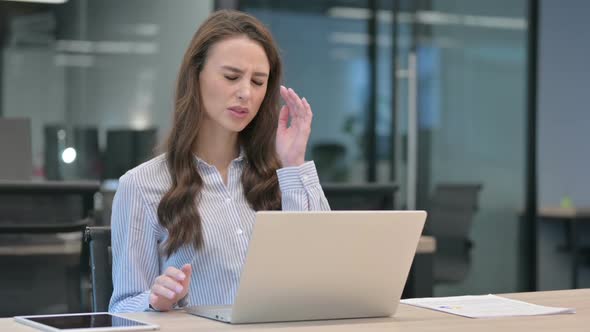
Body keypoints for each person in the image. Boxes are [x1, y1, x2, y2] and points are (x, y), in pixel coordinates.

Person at [109, 9, 330, 313]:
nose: (245, 93)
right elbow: (121, 310)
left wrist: (293, 165)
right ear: (196, 76)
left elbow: (323, 272)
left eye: (258, 81)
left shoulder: (280, 174)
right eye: (231, 77)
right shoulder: (141, 185)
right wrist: (155, 301)